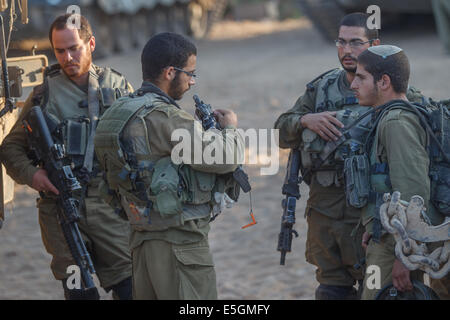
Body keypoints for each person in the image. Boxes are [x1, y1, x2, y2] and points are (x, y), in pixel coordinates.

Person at [94, 32, 244, 300]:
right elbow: (226, 158)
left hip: (140, 242)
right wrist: (230, 127)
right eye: (189, 73)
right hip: (180, 246)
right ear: (169, 72)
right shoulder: (165, 117)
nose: (192, 81)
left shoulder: (116, 113)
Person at [0, 14, 133, 300]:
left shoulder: (117, 87)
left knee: (130, 287)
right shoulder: (43, 95)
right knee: (79, 292)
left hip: (110, 210)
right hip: (62, 214)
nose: (68, 56)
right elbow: (11, 148)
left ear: (91, 43)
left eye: (75, 48)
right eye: (60, 50)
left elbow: (141, 141)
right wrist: (34, 176)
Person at [274, 13, 380, 300]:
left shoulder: (387, 86)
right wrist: (306, 120)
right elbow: (281, 130)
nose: (346, 51)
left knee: (377, 289)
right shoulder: (321, 88)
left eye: (356, 43)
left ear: (374, 44)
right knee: (331, 290)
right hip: (325, 214)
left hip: (369, 214)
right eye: (341, 42)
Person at [350, 44, 449, 300]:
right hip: (389, 237)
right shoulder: (388, 116)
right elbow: (386, 185)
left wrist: (404, 257)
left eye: (361, 77)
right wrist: (374, 225)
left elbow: (413, 192)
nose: (353, 84)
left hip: (400, 245)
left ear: (384, 82)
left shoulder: (396, 122)